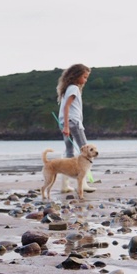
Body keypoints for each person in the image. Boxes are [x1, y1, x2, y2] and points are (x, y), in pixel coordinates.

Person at [56, 64, 96, 193]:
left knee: (69, 153)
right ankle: (83, 184)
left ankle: (65, 185)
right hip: (72, 122)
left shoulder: (67, 88)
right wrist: (67, 126)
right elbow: (67, 107)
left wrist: (65, 125)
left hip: (65, 122)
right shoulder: (74, 88)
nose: (86, 80)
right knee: (86, 151)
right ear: (76, 76)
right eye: (84, 77)